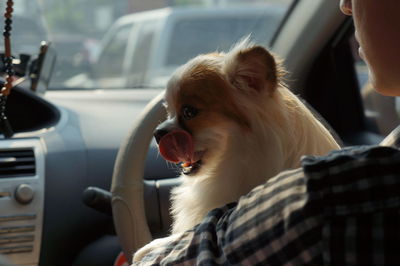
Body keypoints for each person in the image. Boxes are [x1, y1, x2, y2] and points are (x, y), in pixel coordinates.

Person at [133, 0, 400, 264]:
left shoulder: (322, 203)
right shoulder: (386, 155)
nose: (345, 5)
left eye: (190, 112)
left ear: (253, 83)